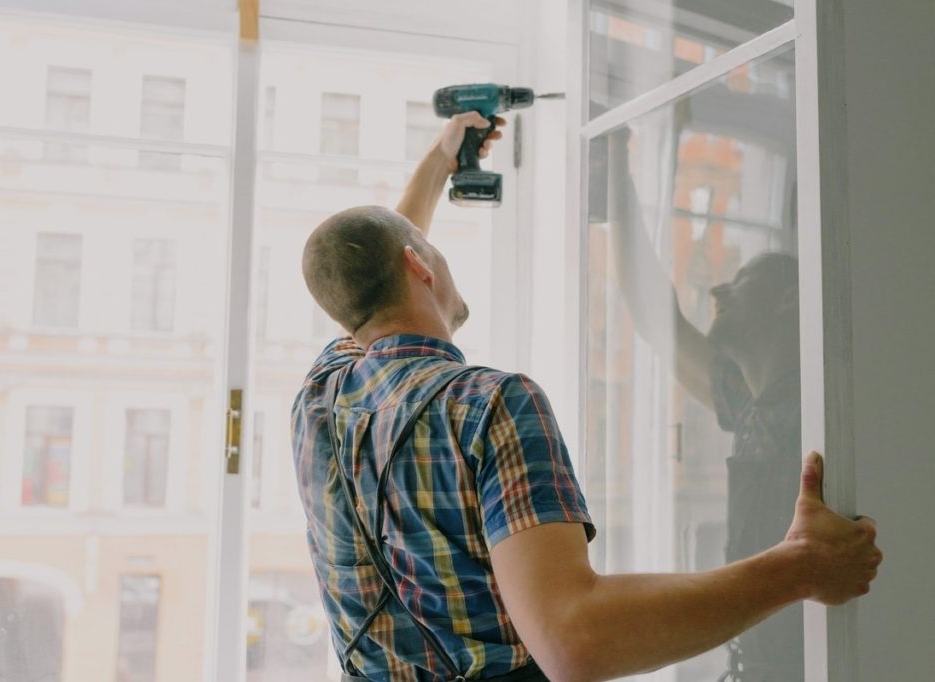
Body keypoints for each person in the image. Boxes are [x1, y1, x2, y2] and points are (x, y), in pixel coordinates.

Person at [291, 112, 881, 682]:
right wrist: (801, 567)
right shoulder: (489, 406)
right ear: (419, 266)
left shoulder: (319, 399)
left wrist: (443, 162)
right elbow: (573, 640)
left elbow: (365, 281)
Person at [606, 126, 805, 681]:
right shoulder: (748, 402)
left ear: (789, 299)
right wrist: (618, 181)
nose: (717, 291)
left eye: (740, 281)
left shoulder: (819, 412)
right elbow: (655, 316)